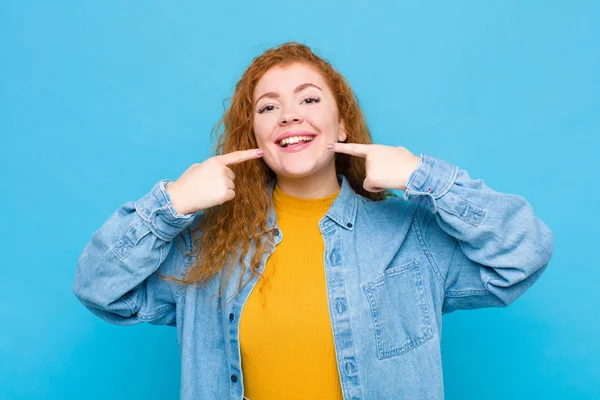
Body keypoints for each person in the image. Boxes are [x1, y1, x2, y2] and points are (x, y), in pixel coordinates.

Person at [73, 41, 554, 400]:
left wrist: (422, 175)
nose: (288, 115)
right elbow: (99, 289)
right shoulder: (207, 247)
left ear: (341, 124)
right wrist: (172, 203)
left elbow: (523, 255)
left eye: (308, 99)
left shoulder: (412, 237)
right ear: (256, 134)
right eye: (268, 108)